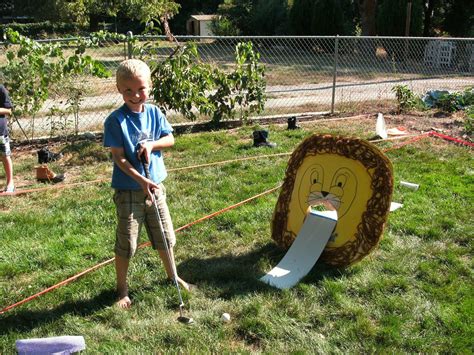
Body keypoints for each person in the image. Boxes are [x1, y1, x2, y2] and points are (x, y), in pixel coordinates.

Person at [103, 59, 191, 309]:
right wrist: (141, 180)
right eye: (128, 90)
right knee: (127, 242)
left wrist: (152, 145)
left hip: (155, 187)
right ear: (119, 89)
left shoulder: (154, 113)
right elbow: (119, 157)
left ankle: (173, 276)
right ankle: (122, 290)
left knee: (164, 235)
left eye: (140, 89)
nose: (135, 95)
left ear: (149, 86)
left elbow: (170, 139)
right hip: (129, 190)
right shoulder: (115, 120)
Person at [0, 83, 14, 193]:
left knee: (5, 155)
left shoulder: (1, 89)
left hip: (0, 131)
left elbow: (8, 110)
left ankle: (10, 183)